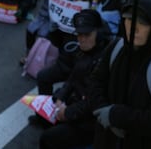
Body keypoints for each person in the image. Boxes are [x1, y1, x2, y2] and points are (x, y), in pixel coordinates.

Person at [89, 0, 151, 149]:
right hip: (105, 139)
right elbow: (95, 82)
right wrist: (103, 111)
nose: (134, 28)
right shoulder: (116, 47)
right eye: (129, 20)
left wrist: (118, 116)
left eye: (142, 23)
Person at [36, 9, 110, 149]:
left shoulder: (104, 61)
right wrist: (60, 97)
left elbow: (93, 101)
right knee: (41, 114)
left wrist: (68, 113)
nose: (81, 38)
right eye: (79, 34)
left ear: (99, 33)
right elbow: (72, 78)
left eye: (87, 34)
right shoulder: (84, 51)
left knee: (47, 139)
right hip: (74, 105)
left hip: (90, 121)